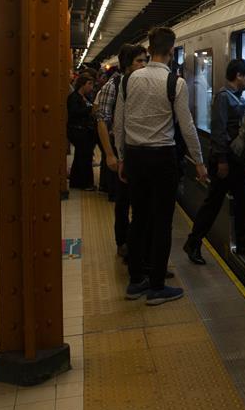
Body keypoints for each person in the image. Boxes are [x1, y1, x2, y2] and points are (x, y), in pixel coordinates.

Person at [114, 26, 207, 305]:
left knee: (139, 217)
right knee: (162, 221)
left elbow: (119, 122)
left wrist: (121, 157)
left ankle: (135, 282)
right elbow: (187, 126)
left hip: (134, 156)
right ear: (170, 51)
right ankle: (156, 286)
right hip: (162, 157)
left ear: (149, 48)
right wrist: (199, 162)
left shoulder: (128, 81)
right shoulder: (174, 83)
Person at [183, 59, 245, 265]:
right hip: (226, 161)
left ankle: (242, 244)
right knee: (217, 203)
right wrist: (222, 160)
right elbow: (219, 130)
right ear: (238, 76)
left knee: (241, 200)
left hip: (234, 161)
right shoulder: (223, 98)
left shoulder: (236, 97)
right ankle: (194, 242)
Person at [96, 44, 147, 258]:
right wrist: (109, 154)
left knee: (140, 202)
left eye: (145, 60)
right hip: (121, 151)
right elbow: (102, 119)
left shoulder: (143, 83)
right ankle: (122, 242)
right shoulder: (113, 85)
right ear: (127, 64)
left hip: (138, 151)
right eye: (139, 61)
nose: (144, 65)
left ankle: (139, 246)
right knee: (123, 200)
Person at [67, 75, 96, 190]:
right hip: (78, 131)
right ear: (82, 85)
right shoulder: (74, 97)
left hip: (84, 130)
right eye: (89, 84)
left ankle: (76, 182)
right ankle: (85, 183)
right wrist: (90, 110)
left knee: (80, 156)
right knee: (85, 157)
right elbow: (74, 112)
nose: (91, 87)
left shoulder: (85, 97)